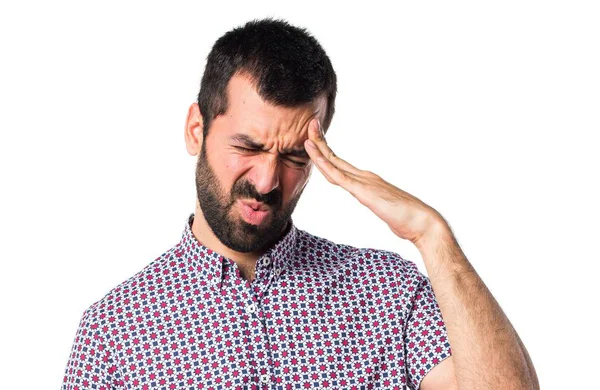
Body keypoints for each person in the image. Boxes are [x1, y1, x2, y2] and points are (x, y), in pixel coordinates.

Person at [61, 18, 539, 390]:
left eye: (294, 156)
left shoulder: (388, 293)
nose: (268, 181)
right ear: (196, 130)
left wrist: (431, 234)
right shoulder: (114, 332)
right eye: (247, 147)